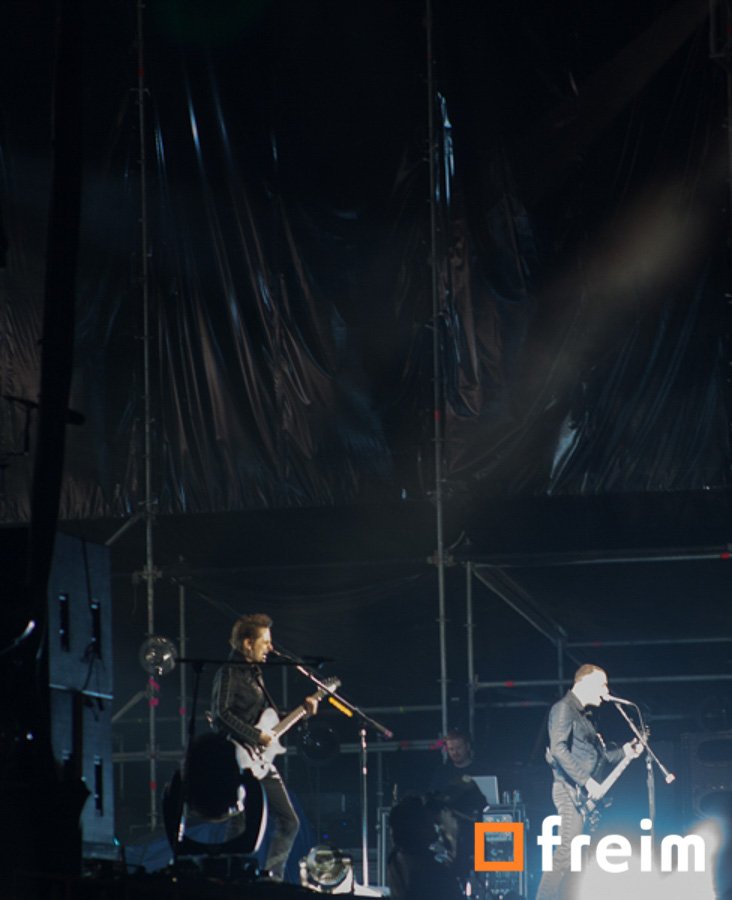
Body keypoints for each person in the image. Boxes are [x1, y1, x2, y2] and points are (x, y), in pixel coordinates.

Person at [210, 613, 319, 882]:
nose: (270, 647)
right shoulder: (229, 672)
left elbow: (267, 719)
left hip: (260, 760)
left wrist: (303, 712)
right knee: (240, 821)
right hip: (238, 757)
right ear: (248, 644)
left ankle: (272, 877)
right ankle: (230, 878)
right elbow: (221, 713)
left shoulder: (255, 673)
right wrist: (255, 736)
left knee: (289, 821)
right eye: (265, 642)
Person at [535, 664, 641, 900]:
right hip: (569, 790)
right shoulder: (564, 708)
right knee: (566, 850)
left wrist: (625, 751)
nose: (606, 691)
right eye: (602, 684)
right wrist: (586, 782)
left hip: (584, 793)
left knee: (580, 853)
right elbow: (558, 749)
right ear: (584, 682)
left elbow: (598, 756)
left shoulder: (586, 716)